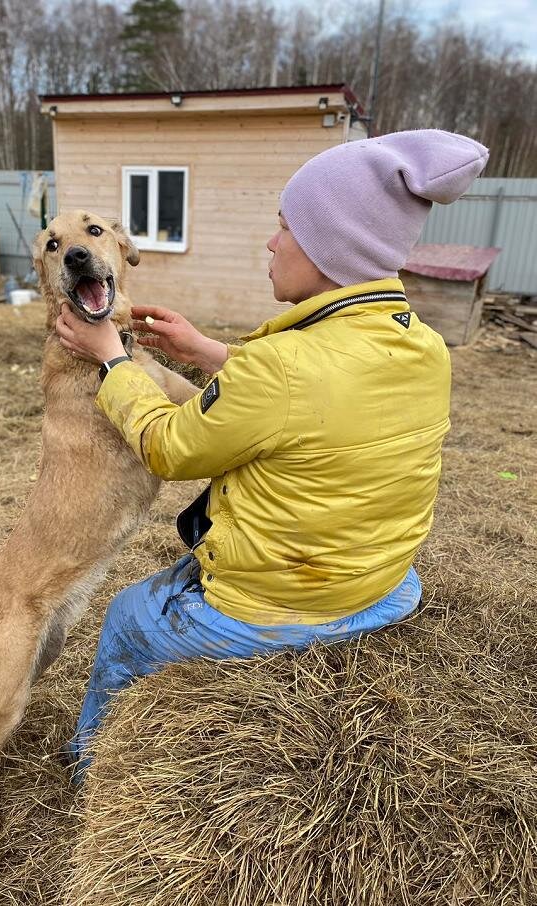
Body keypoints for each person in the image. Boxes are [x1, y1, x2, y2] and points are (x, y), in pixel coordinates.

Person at [55, 129, 489, 779]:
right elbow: (320, 397)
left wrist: (111, 358)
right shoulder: (421, 346)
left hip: (286, 605)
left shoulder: (280, 368)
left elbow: (169, 449)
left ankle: (88, 759)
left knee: (125, 618)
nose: (270, 242)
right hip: (382, 587)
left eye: (284, 227)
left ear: (326, 247)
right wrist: (207, 352)